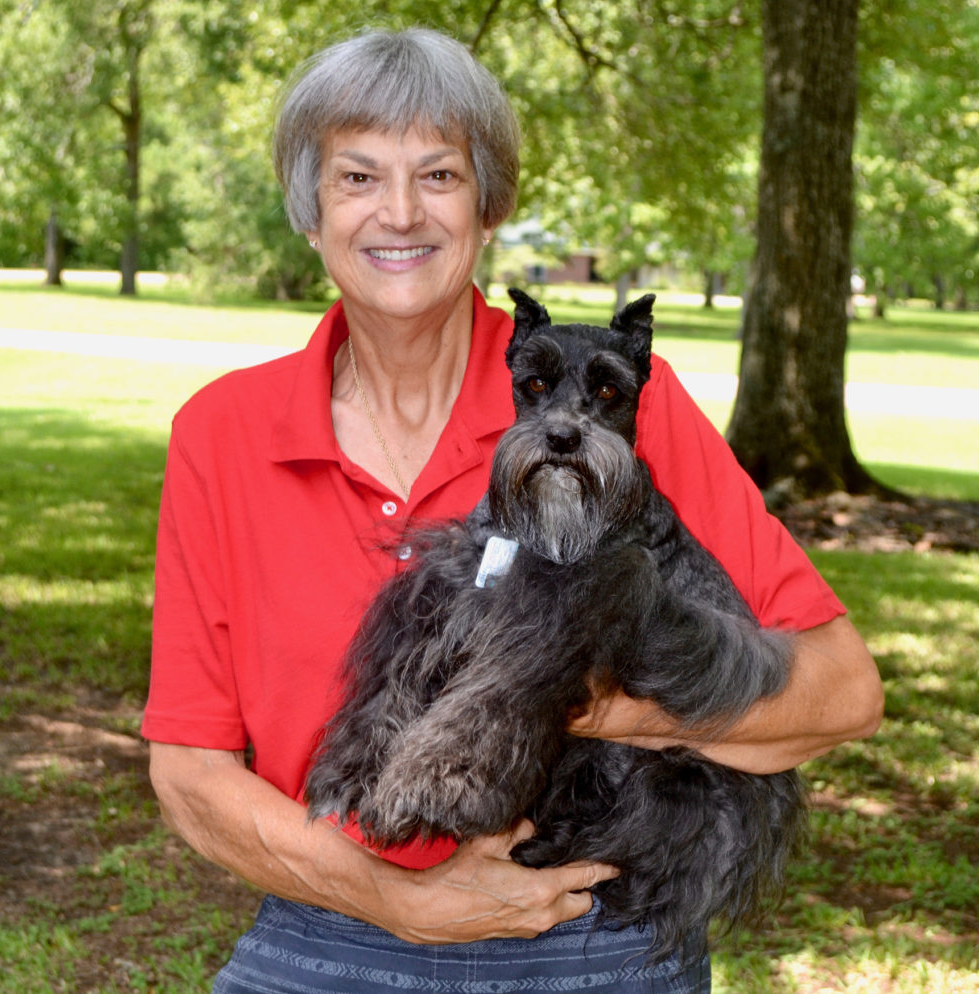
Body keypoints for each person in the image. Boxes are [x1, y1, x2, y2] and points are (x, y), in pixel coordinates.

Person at [142, 27, 883, 994]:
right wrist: (392, 898)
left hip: (589, 938)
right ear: (309, 213)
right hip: (325, 922)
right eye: (358, 177)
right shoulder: (224, 433)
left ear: (488, 208)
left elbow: (842, 692)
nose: (399, 212)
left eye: (439, 175)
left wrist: (585, 697)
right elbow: (191, 773)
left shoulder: (619, 413)